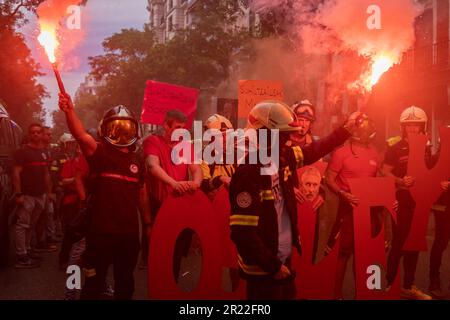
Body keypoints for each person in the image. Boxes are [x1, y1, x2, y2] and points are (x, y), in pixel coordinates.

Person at [229, 100, 360, 300]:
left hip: (282, 261)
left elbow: (314, 151)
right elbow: (242, 232)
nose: (288, 140)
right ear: (266, 135)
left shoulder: (281, 158)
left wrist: (345, 130)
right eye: (283, 135)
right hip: (264, 271)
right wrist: (272, 266)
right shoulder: (248, 173)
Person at [58, 93, 151, 300]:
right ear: (105, 129)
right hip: (100, 233)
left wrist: (147, 224)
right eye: (116, 128)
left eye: (126, 128)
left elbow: (142, 193)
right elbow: (81, 135)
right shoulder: (99, 153)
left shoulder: (138, 160)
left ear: (136, 130)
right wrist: (69, 110)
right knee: (94, 283)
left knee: (125, 282)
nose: (122, 134)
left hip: (128, 234)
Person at [323, 114, 383, 299]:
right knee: (343, 253)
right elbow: (328, 178)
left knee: (364, 253)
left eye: (367, 129)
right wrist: (343, 194)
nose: (364, 132)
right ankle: (336, 295)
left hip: (369, 211)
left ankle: (363, 294)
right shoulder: (341, 152)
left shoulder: (374, 152)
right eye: (361, 129)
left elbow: (378, 179)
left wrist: (388, 197)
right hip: (347, 210)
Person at [143, 109, 203, 279]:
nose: (181, 131)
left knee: (176, 256)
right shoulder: (152, 141)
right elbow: (152, 165)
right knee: (159, 256)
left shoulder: (186, 146)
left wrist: (196, 184)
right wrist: (173, 183)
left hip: (180, 208)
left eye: (184, 128)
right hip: (159, 207)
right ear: (166, 126)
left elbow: (196, 169)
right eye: (177, 127)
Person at [381, 106, 432, 300]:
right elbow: (385, 171)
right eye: (408, 125)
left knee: (415, 243)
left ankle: (408, 286)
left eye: (416, 125)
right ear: (403, 127)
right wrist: (401, 181)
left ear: (422, 127)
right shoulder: (395, 147)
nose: (412, 129)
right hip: (402, 199)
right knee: (400, 243)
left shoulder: (426, 147)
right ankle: (388, 283)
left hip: (421, 201)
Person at [12, 123, 54, 268]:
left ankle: (28, 250)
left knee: (32, 224)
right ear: (29, 134)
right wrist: (18, 194)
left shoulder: (44, 152)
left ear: (41, 134)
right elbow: (16, 173)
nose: (35, 134)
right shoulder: (22, 152)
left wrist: (49, 192)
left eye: (38, 132)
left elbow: (46, 174)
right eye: (32, 132)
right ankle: (21, 256)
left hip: (40, 194)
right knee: (22, 224)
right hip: (27, 194)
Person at [200, 114, 236, 200]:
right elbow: (203, 185)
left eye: (227, 135)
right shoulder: (202, 157)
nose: (225, 139)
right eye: (221, 135)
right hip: (211, 206)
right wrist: (220, 179)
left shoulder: (234, 155)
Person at [428, 176, 450, 299]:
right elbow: (429, 172)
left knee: (441, 243)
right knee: (441, 243)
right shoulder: (440, 156)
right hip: (443, 203)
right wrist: (437, 182)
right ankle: (434, 281)